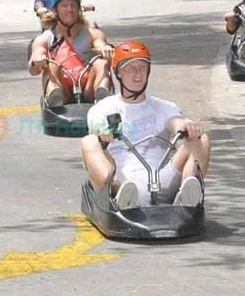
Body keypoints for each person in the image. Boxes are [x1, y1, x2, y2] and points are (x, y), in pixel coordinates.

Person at [81, 41, 211, 209]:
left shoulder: (164, 107)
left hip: (161, 180)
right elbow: (97, 127)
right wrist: (103, 133)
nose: (138, 75)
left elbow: (175, 122)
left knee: (201, 139)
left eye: (142, 68)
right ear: (118, 73)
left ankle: (188, 196)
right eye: (130, 69)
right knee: (89, 141)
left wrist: (185, 125)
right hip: (124, 181)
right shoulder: (103, 108)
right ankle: (120, 198)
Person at [28, 0, 113, 107]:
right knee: (50, 65)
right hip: (63, 90)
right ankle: (54, 98)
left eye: (73, 5)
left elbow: (101, 44)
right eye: (64, 6)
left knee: (101, 62)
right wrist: (38, 59)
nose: (70, 9)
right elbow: (36, 59)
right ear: (55, 10)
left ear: (79, 9)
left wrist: (105, 49)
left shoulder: (92, 33)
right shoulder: (46, 38)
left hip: (89, 88)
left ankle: (103, 96)